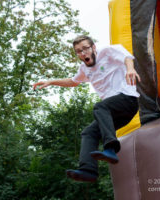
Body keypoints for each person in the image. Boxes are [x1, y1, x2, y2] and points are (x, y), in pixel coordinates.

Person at [33, 35, 141, 182]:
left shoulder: (107, 52)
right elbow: (73, 81)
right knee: (89, 132)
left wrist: (130, 69)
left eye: (85, 49)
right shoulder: (84, 68)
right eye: (78, 51)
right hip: (113, 114)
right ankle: (88, 170)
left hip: (127, 99)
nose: (83, 53)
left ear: (93, 48)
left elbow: (127, 57)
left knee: (99, 107)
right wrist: (51, 82)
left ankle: (111, 147)